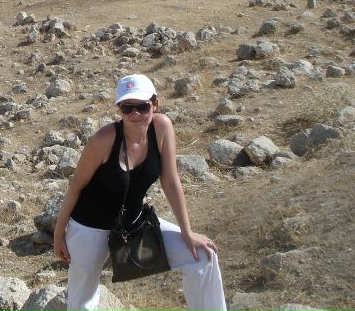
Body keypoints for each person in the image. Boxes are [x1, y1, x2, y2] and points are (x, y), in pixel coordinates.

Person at [54, 74, 226, 311]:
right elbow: (76, 186)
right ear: (119, 109)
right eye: (127, 108)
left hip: (135, 223)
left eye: (142, 107)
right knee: (81, 303)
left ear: (155, 104)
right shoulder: (104, 139)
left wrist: (187, 233)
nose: (135, 114)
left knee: (203, 254)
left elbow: (170, 180)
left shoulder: (162, 127)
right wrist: (58, 234)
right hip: (90, 227)